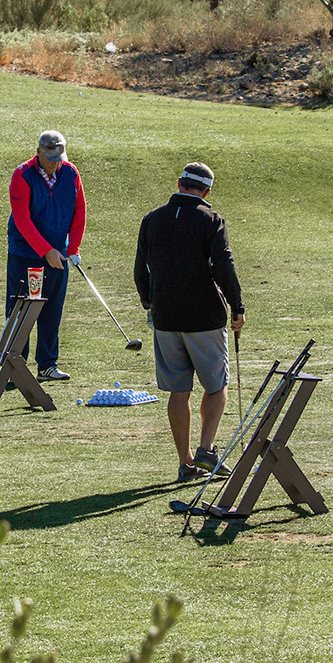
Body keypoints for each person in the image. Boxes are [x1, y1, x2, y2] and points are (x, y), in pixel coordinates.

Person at [134, 163, 244, 482]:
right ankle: (206, 449)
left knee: (178, 392)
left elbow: (141, 269)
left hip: (165, 317)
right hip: (204, 317)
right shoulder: (211, 219)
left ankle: (186, 463)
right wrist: (237, 306)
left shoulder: (152, 219)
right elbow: (223, 265)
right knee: (216, 386)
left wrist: (150, 303)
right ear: (206, 192)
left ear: (180, 183)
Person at [6, 129, 85, 383]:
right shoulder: (22, 175)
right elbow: (22, 220)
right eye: (50, 158)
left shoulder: (71, 173)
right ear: (38, 152)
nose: (54, 163)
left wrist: (73, 248)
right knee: (22, 310)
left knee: (52, 309)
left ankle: (47, 365)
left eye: (58, 158)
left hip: (58, 254)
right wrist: (45, 251)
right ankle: (14, 366)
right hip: (25, 254)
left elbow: (79, 210)